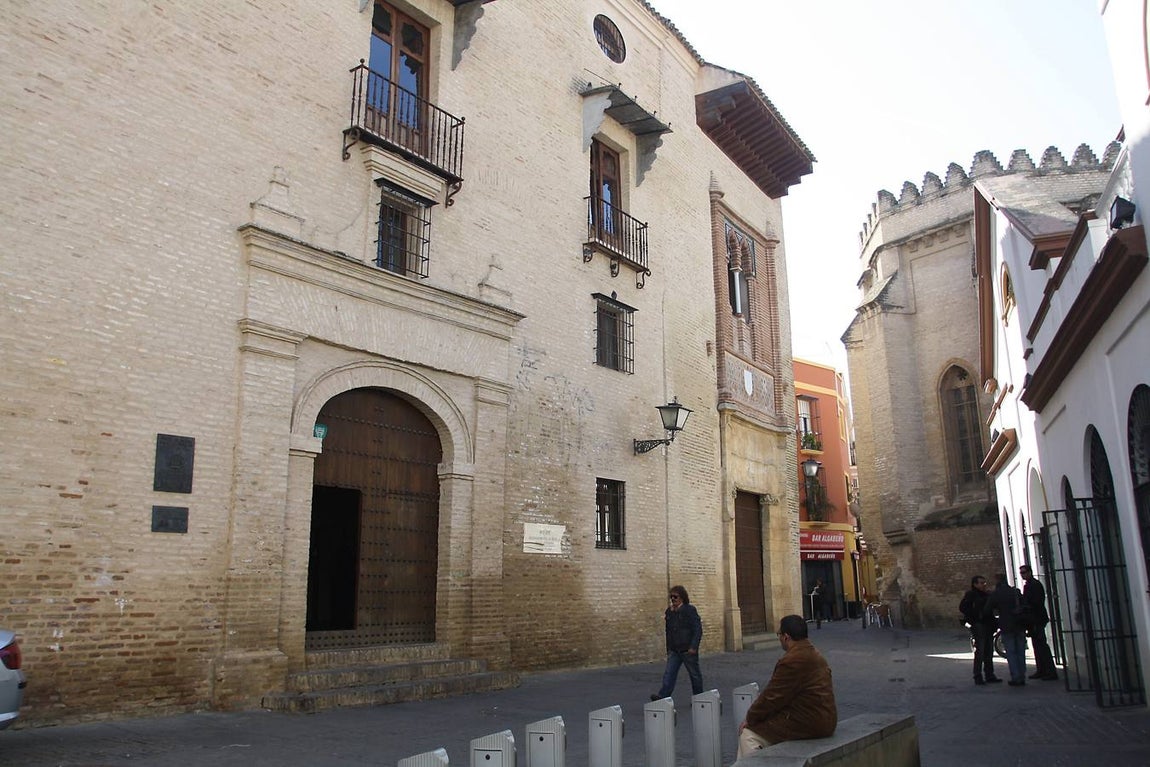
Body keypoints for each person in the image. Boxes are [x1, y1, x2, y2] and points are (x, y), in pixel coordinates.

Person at [737, 614, 837, 757]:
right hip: (823, 717)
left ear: (786, 637)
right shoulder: (814, 653)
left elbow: (772, 697)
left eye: (779, 634)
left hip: (810, 722)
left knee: (748, 735)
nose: (779, 638)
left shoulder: (792, 661)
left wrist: (750, 718)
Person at [650, 585, 703, 700]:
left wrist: (694, 646)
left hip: (687, 649)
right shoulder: (670, 612)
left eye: (675, 597)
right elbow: (668, 631)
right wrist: (668, 648)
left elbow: (697, 629)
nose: (673, 599)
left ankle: (699, 698)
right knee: (669, 674)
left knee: (694, 675)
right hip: (675, 650)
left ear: (682, 597)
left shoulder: (689, 610)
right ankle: (663, 696)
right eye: (671, 597)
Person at [983, 573, 1028, 686]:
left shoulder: (996, 594)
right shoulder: (1015, 591)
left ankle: (1016, 677)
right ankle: (1022, 676)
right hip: (1019, 623)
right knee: (1020, 651)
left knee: (1011, 652)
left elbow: (987, 610)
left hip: (1006, 625)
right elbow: (1025, 605)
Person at [959, 575, 1001, 685]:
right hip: (978, 625)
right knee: (980, 652)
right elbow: (963, 607)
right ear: (975, 584)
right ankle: (978, 676)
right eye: (981, 583)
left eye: (984, 582)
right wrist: (975, 617)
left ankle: (989, 674)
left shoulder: (987, 594)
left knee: (989, 650)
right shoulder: (971, 595)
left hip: (988, 625)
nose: (984, 585)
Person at [1019, 564, 1058, 680]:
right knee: (1037, 645)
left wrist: (1026, 607)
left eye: (1024, 572)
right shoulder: (1029, 585)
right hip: (1033, 619)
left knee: (1042, 645)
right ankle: (1041, 669)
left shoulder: (1034, 585)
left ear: (1030, 572)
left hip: (1037, 619)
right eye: (1021, 573)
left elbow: (1036, 603)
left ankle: (1050, 671)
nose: (1022, 575)